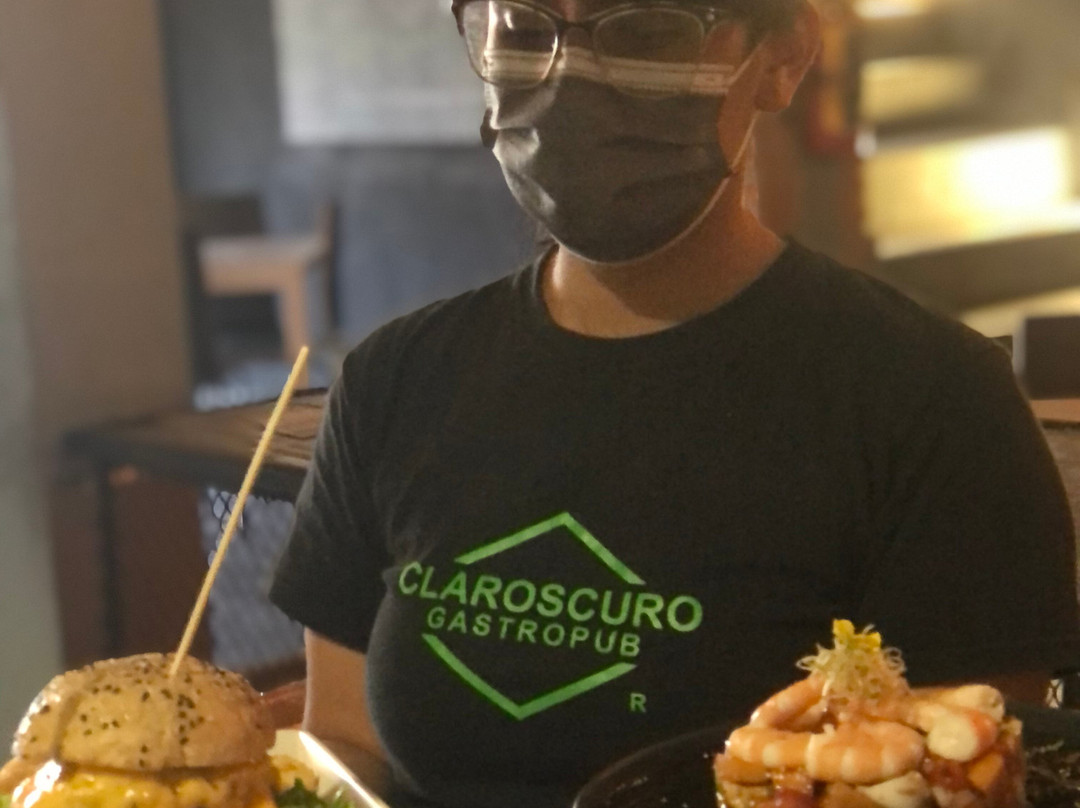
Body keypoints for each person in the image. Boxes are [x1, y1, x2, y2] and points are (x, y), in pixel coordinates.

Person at [269, 1, 1080, 807]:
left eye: (648, 28)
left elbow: (965, 772)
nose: (568, 79)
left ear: (784, 58)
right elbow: (343, 746)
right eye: (521, 26)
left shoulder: (933, 399)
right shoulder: (394, 380)